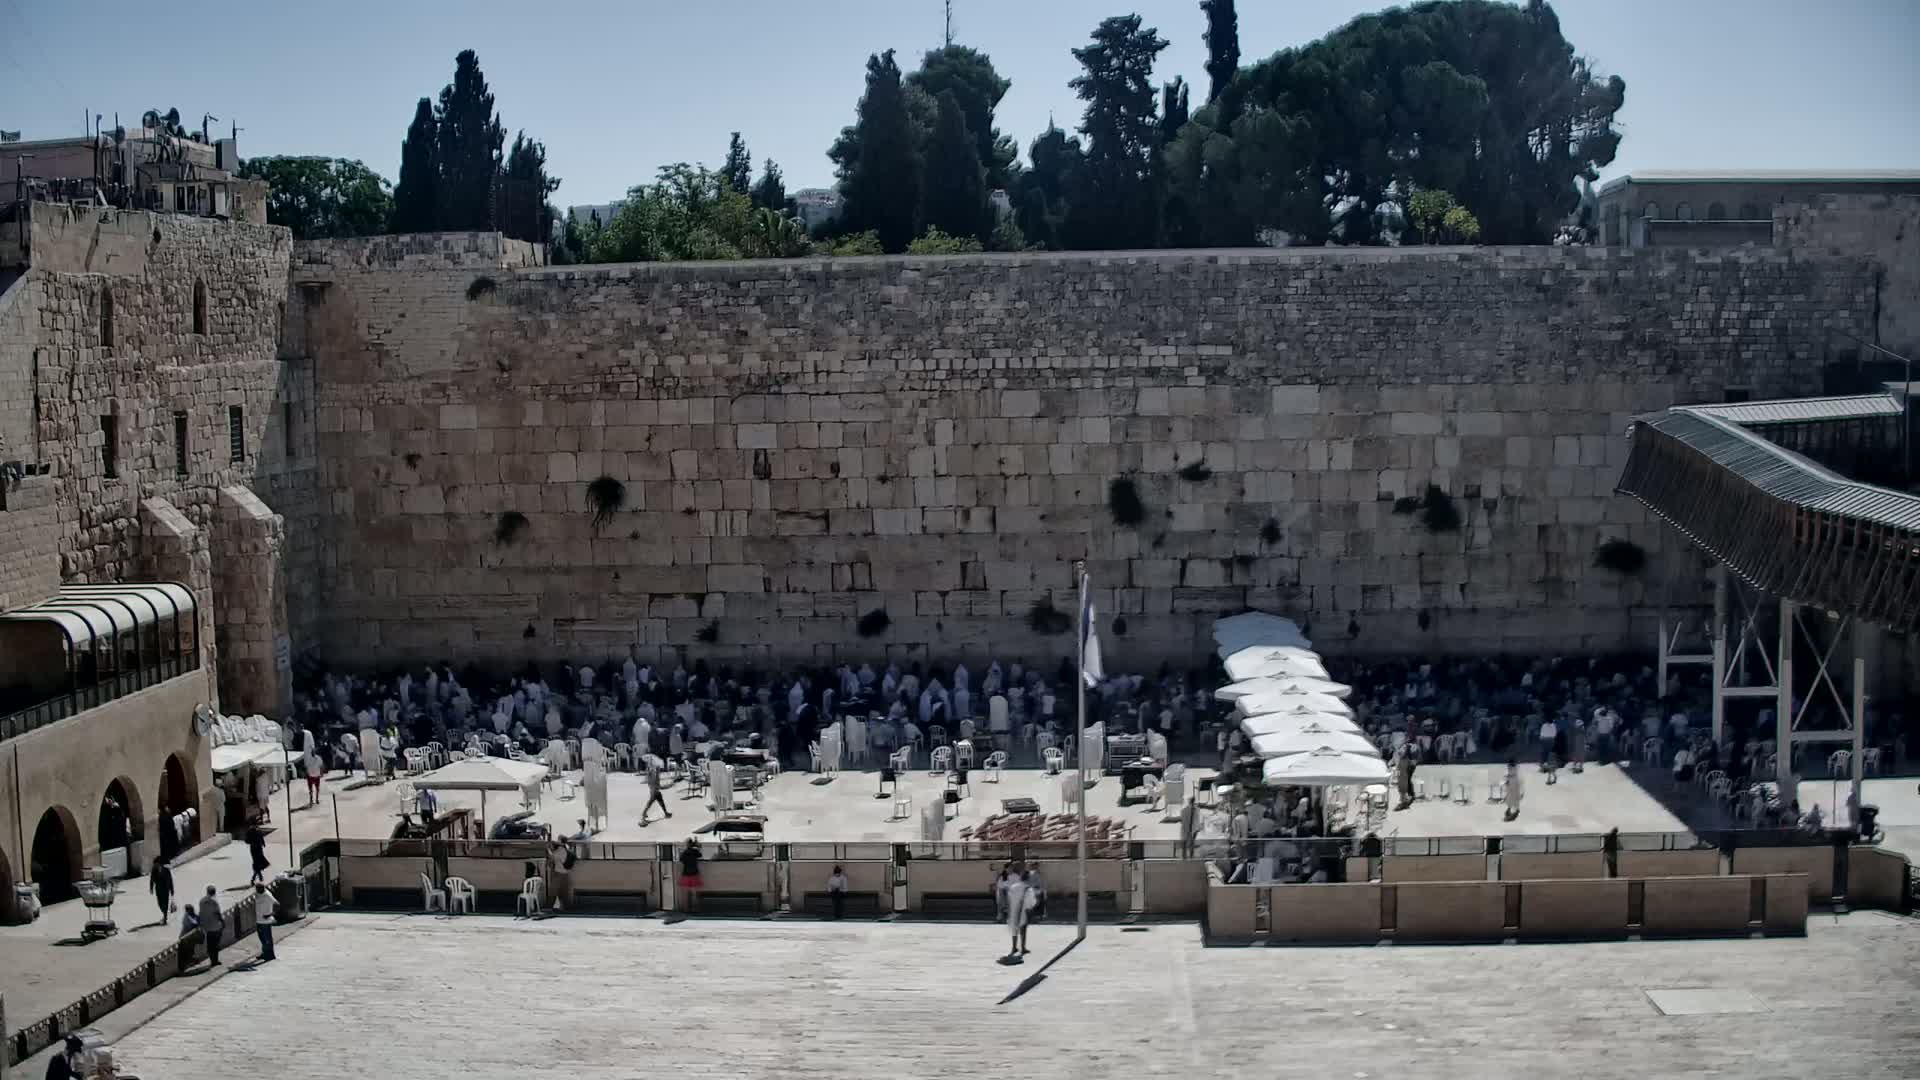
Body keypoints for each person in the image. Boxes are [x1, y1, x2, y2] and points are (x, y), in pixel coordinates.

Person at [1004, 868, 1035, 959]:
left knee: (1014, 929)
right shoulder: (1028, 888)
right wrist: (1030, 908)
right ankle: (1023, 947)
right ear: (1028, 878)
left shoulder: (1013, 887)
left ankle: (1014, 947)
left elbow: (1008, 898)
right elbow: (1031, 902)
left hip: (1013, 910)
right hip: (1023, 911)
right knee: (1023, 929)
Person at [640, 756, 672, 827]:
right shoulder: (653, 770)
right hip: (654, 789)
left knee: (660, 800)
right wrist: (658, 786)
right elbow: (654, 780)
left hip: (653, 788)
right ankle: (643, 815)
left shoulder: (651, 769)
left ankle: (665, 813)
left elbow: (651, 779)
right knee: (651, 802)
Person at [197, 885, 224, 967]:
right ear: (214, 892)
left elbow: (200, 913)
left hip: (206, 926)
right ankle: (215, 960)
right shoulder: (214, 901)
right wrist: (223, 922)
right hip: (215, 926)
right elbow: (218, 913)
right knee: (216, 944)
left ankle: (213, 960)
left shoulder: (202, 901)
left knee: (210, 944)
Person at [677, 839, 703, 914]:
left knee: (685, 893)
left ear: (687, 844)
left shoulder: (684, 852)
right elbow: (700, 855)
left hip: (686, 874)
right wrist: (698, 846)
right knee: (695, 893)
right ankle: (696, 909)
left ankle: (686, 909)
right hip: (694, 874)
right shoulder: (695, 851)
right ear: (692, 844)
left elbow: (681, 859)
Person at [253, 882, 276, 961]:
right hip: (259, 921)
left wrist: (269, 915)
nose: (256, 890)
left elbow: (277, 905)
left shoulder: (267, 895)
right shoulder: (257, 894)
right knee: (262, 939)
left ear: (262, 888)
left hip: (265, 922)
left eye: (257, 889)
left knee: (267, 939)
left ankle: (270, 955)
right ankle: (265, 953)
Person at [150, 856, 175, 922]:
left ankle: (165, 916)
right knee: (160, 903)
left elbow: (170, 880)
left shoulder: (166, 870)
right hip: (158, 889)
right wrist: (151, 888)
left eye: (156, 863)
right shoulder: (154, 870)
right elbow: (151, 879)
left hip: (166, 889)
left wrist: (172, 890)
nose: (155, 865)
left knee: (165, 903)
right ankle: (164, 914)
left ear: (159, 863)